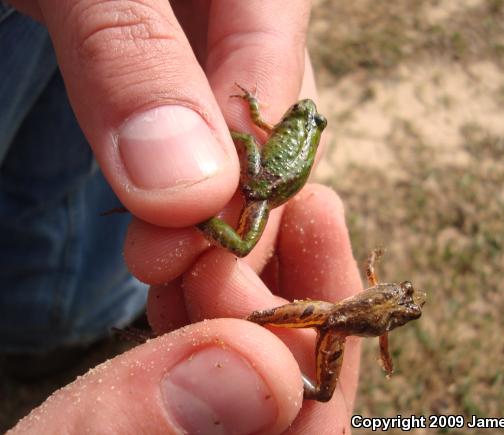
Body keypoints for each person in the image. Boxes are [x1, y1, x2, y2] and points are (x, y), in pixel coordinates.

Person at [2, 1, 363, 433]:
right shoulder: (287, 130)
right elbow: (260, 121)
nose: (300, 116)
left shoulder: (276, 129)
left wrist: (239, 118)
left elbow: (257, 123)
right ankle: (62, 326)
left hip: (263, 181)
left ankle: (63, 325)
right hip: (265, 186)